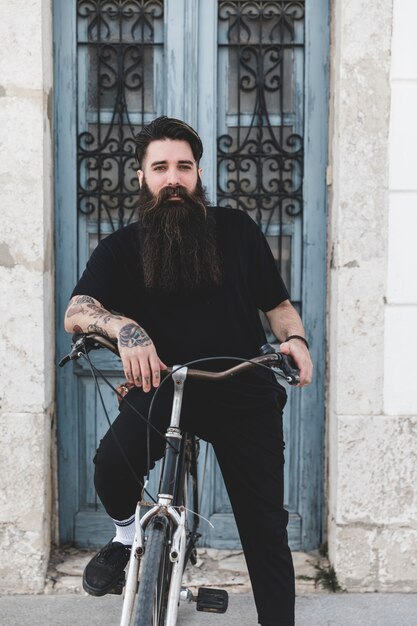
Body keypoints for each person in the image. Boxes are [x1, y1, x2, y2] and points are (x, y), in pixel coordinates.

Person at [64, 116, 312, 626]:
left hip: (240, 384)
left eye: (184, 166)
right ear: (142, 178)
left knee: (266, 528)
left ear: (198, 174)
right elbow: (77, 310)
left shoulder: (237, 231)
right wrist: (125, 328)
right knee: (112, 464)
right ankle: (127, 536)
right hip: (160, 387)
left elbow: (279, 306)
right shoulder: (121, 247)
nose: (173, 178)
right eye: (161, 167)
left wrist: (296, 339)